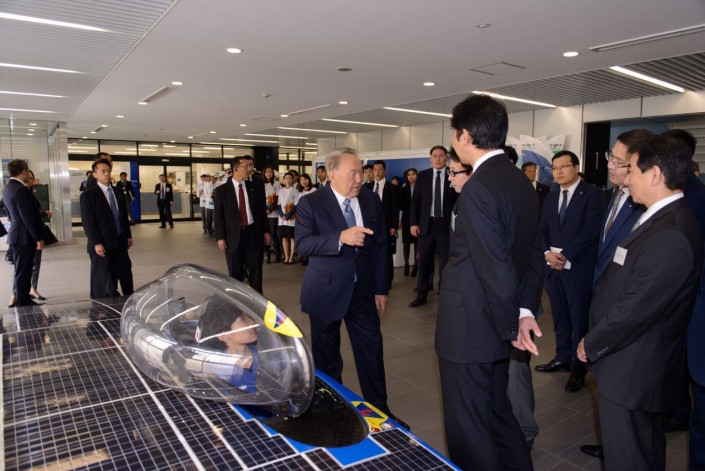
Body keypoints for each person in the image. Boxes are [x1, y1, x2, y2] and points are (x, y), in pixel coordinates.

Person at [577, 135, 702, 471]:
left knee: (630, 457)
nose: (626, 177)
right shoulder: (659, 217)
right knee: (641, 452)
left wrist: (593, 342)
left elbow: (637, 309)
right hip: (632, 364)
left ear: (655, 174)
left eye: (631, 169)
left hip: (635, 371)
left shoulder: (672, 232)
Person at [437, 94, 543, 470]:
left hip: (471, 329)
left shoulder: (479, 187)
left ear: (465, 135)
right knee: (499, 414)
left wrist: (509, 325)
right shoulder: (520, 181)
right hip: (497, 326)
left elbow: (494, 266)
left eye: (454, 132)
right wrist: (523, 312)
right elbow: (533, 254)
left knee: (470, 430)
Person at [296, 148, 394, 417]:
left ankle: (380, 411)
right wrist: (340, 237)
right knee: (327, 359)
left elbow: (380, 247)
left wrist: (381, 288)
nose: (359, 179)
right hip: (325, 292)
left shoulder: (371, 200)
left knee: (371, 353)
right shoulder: (311, 203)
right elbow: (303, 244)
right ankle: (333, 412)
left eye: (361, 172)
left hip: (363, 293)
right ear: (333, 174)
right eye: (353, 173)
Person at [535, 150, 605, 393]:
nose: (559, 171)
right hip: (553, 268)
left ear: (576, 167)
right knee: (560, 317)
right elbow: (542, 229)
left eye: (564, 166)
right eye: (555, 168)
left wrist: (565, 255)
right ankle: (562, 357)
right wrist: (547, 253)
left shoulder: (593, 195)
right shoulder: (551, 197)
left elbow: (591, 230)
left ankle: (579, 368)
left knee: (578, 319)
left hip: (578, 268)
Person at [408, 145, 458, 307]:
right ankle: (421, 294)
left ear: (446, 158)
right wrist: (413, 223)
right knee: (424, 261)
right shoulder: (423, 176)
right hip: (426, 225)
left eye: (441, 155)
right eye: (435, 156)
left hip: (446, 225)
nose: (438, 158)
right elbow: (415, 202)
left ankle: (445, 293)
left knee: (446, 262)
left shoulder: (453, 175)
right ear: (430, 158)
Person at [214, 157, 271, 293]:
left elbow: (261, 211)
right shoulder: (222, 190)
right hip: (233, 236)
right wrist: (220, 237)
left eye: (251, 166)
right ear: (236, 169)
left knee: (255, 270)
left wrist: (266, 230)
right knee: (235, 272)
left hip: (253, 233)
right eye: (246, 166)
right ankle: (237, 300)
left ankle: (257, 299)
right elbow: (218, 216)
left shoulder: (255, 187)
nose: (250, 169)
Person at [80, 158, 134, 299]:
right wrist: (96, 242)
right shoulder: (88, 195)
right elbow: (88, 222)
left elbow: (123, 217)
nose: (107, 174)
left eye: (109, 171)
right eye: (103, 171)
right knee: (104, 278)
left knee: (125, 272)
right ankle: (103, 304)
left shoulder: (118, 192)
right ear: (95, 174)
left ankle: (129, 299)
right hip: (102, 243)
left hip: (119, 240)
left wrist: (128, 235)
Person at [2, 159, 45, 308]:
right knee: (24, 270)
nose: (28, 174)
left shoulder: (8, 188)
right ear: (23, 171)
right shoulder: (20, 190)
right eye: (27, 171)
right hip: (23, 237)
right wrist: (37, 238)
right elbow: (27, 217)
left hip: (16, 234)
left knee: (21, 269)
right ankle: (23, 300)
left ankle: (23, 298)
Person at [198, 299, 258, 393]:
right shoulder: (219, 371)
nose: (252, 322)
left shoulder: (268, 353)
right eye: (243, 320)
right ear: (224, 336)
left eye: (248, 317)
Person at [364, 160, 400, 290]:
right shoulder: (366, 187)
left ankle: (387, 280)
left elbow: (395, 209)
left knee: (387, 254)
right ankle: (373, 278)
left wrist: (394, 225)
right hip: (370, 227)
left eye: (380, 169)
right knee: (370, 253)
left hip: (387, 226)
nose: (377, 172)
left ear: (384, 170)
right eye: (375, 169)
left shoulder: (392, 188)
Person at [400, 168, 419, 277]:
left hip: (418, 219)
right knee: (406, 243)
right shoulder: (403, 189)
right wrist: (399, 220)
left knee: (417, 243)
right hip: (406, 218)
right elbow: (401, 207)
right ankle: (406, 264)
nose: (411, 176)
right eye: (409, 175)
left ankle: (416, 265)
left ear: (417, 175)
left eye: (413, 174)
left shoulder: (421, 187)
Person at [277, 172, 299, 264]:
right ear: (284, 180)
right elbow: (278, 205)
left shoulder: (295, 191)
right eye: (286, 178)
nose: (288, 180)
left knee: (292, 238)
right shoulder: (281, 191)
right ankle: (286, 256)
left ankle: (291, 257)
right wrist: (282, 215)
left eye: (290, 178)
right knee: (284, 238)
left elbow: (296, 205)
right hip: (282, 219)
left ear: (292, 179)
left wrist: (288, 215)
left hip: (291, 217)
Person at [263, 166, 282, 263]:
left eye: (270, 172)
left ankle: (278, 253)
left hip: (273, 213)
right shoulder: (261, 184)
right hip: (263, 213)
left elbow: (278, 198)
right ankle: (267, 255)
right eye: (267, 172)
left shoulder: (276, 184)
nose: (269, 174)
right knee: (264, 235)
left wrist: (270, 209)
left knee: (273, 234)